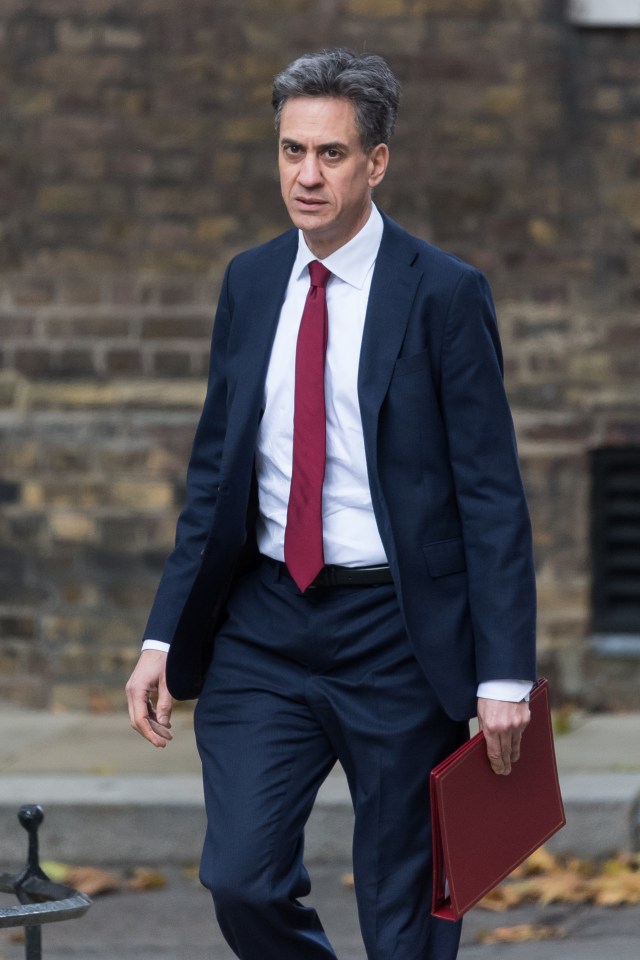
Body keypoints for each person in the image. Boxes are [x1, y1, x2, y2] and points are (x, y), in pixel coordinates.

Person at [126, 49, 536, 960]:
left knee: (408, 907)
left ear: (377, 162)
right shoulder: (249, 281)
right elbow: (213, 479)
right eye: (291, 151)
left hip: (396, 631)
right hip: (265, 624)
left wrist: (503, 673)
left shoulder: (443, 294)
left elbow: (492, 497)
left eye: (332, 154)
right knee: (240, 878)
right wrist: (161, 636)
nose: (307, 176)